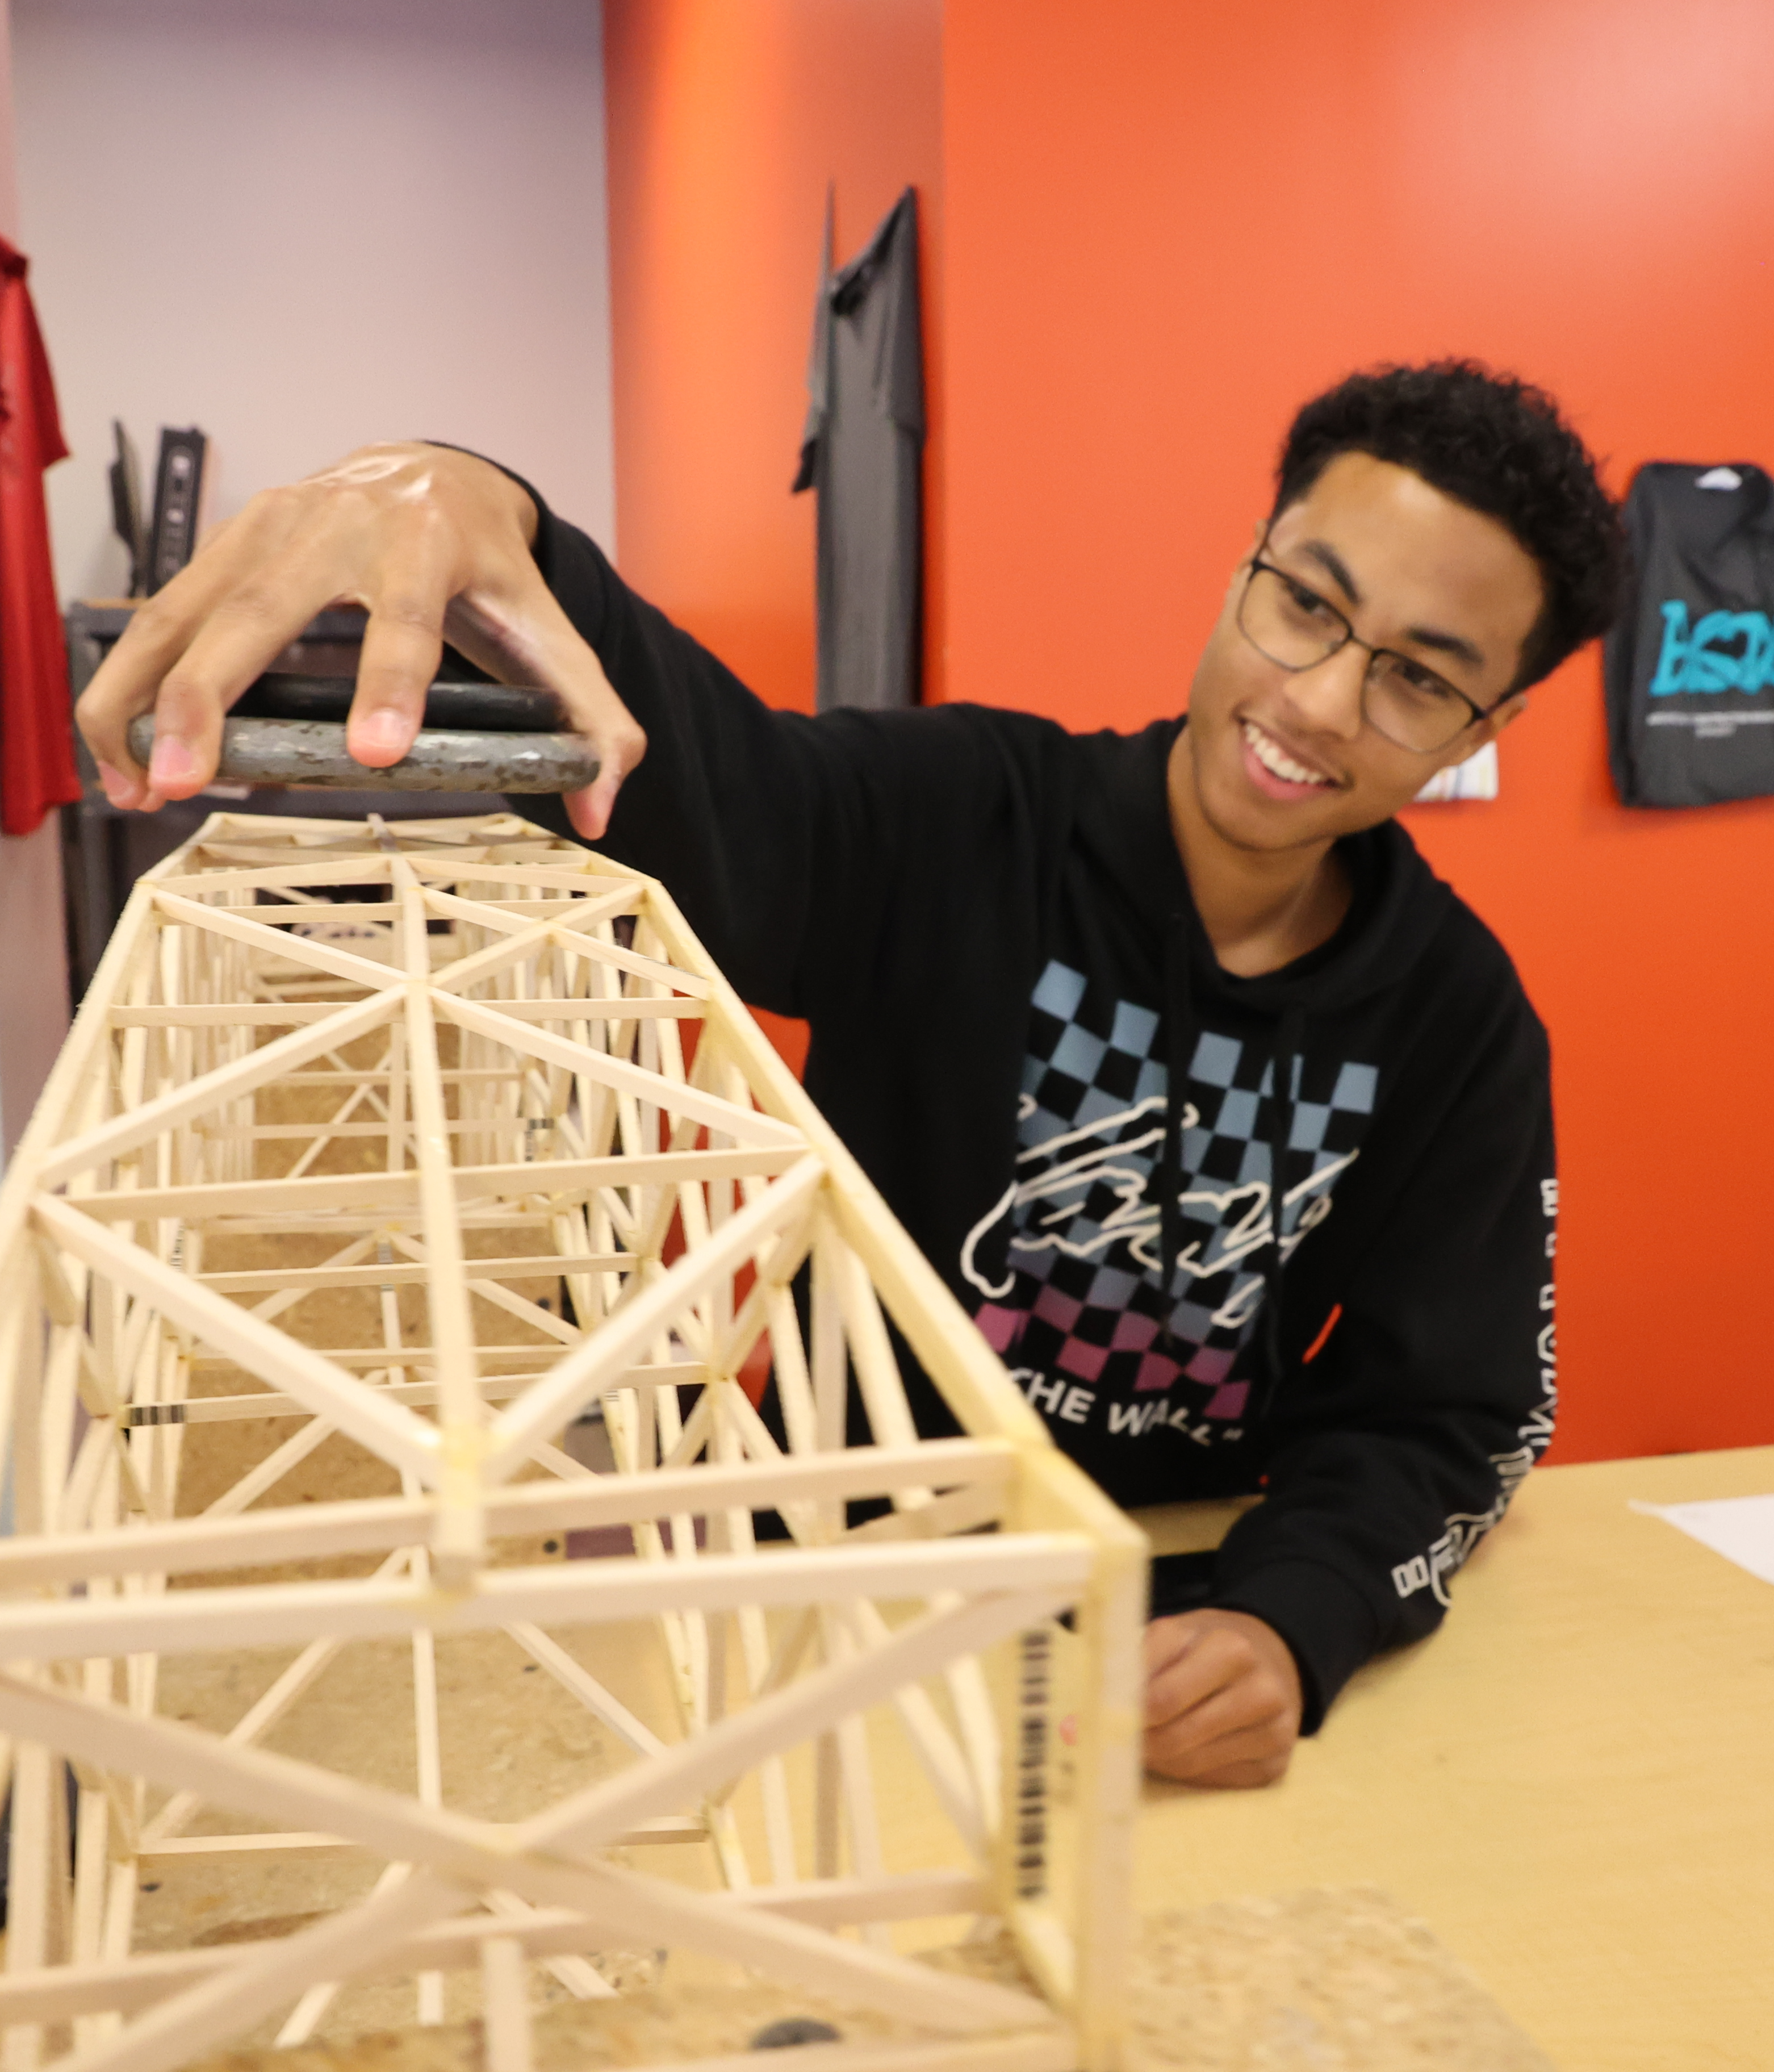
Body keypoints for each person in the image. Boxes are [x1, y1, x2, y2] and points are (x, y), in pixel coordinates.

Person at [78, 361, 1621, 1790]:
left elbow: (1457, 1413)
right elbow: (718, 781)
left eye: (1422, 680)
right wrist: (486, 503)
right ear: (1252, 562)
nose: (1320, 702)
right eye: (1306, 604)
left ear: (1493, 723)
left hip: (1155, 1608)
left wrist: (1304, 1614)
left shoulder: (1458, 1021)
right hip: (831, 1611)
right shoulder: (956, 822)